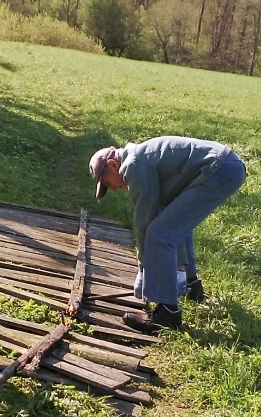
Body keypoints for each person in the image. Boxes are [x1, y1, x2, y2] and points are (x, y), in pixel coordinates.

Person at [88, 136, 246, 334]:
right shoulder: (139, 157)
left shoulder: (133, 164)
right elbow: (163, 210)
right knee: (172, 222)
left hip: (218, 169)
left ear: (112, 164)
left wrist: (144, 270)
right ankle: (190, 285)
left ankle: (167, 314)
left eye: (106, 182)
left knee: (159, 233)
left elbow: (145, 220)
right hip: (226, 165)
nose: (111, 188)